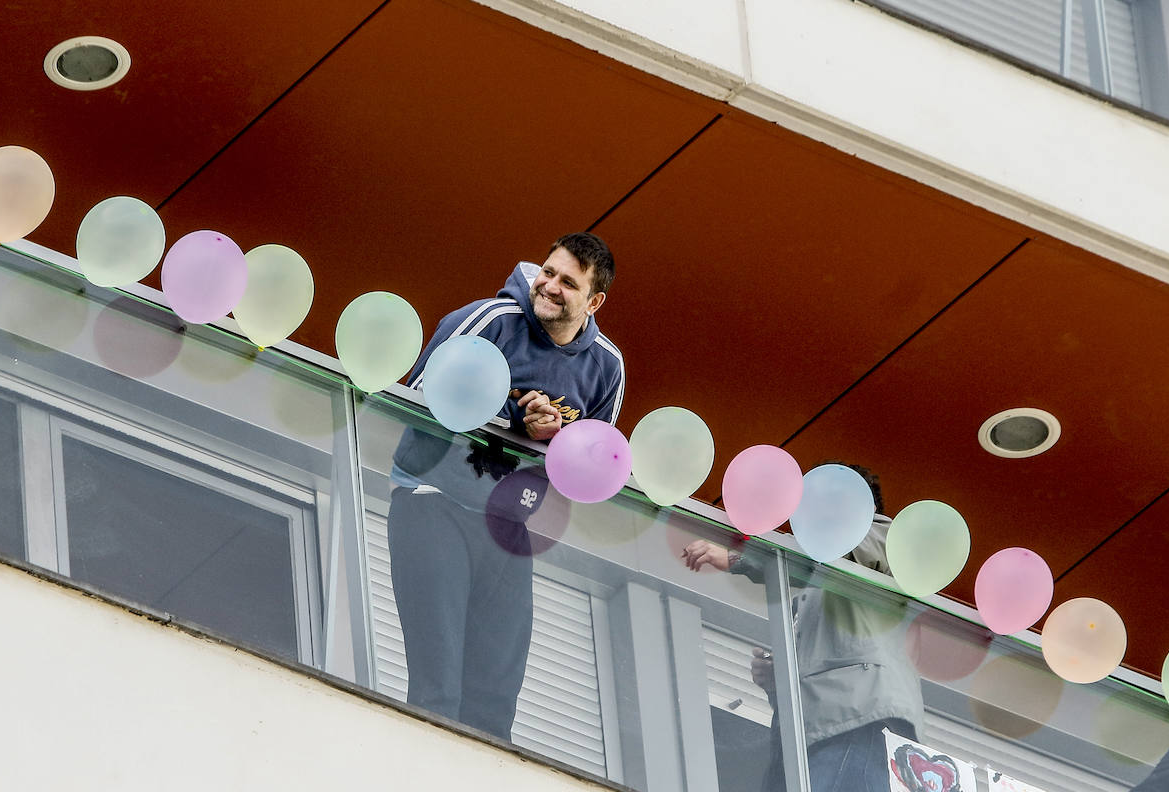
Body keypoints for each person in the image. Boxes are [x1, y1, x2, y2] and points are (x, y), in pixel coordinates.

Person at [387, 232, 625, 740]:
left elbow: (591, 467)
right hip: (434, 502)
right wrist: (514, 416)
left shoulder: (607, 367)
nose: (549, 286)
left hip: (509, 528)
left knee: (495, 705)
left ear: (594, 301)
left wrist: (556, 439)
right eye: (549, 271)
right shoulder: (492, 318)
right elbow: (419, 393)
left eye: (568, 282)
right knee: (437, 689)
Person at [683, 464, 924, 792]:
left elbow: (841, 546)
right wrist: (775, 680)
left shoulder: (880, 536)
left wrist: (740, 559)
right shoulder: (811, 595)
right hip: (816, 734)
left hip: (860, 722)